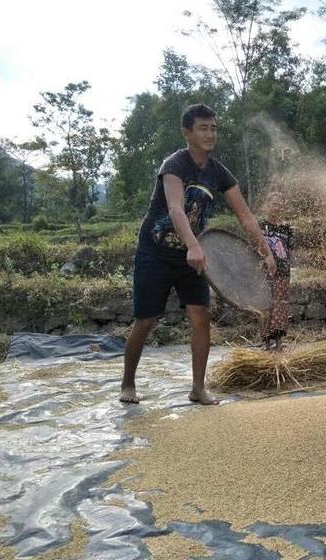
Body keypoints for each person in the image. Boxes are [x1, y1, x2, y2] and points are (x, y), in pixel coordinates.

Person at [120, 103, 276, 406]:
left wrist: (265, 251)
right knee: (146, 320)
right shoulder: (174, 165)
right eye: (203, 128)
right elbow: (176, 209)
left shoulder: (219, 172)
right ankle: (128, 383)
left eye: (213, 128)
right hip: (156, 252)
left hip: (194, 256)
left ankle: (198, 388)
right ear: (187, 133)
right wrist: (192, 244)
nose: (210, 134)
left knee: (201, 317)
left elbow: (244, 214)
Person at [259, 191, 293, 351]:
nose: (277, 207)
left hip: (283, 271)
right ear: (267, 205)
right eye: (274, 204)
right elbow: (255, 245)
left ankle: (278, 342)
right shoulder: (261, 226)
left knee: (280, 305)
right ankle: (266, 342)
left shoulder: (286, 228)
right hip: (264, 271)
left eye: (280, 204)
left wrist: (285, 265)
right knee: (265, 304)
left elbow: (289, 250)